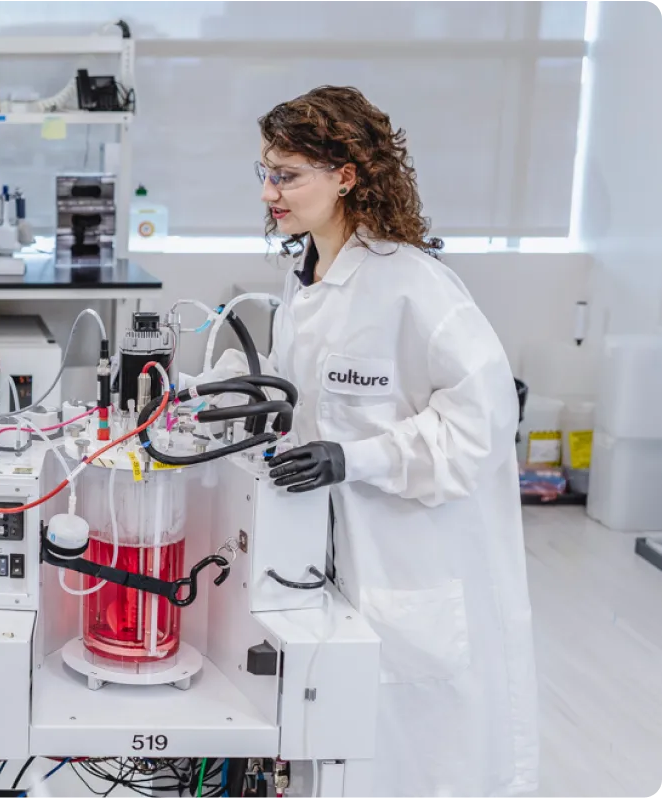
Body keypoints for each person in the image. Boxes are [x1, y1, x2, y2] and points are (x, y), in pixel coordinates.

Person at [211, 86, 538, 796]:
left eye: (287, 174)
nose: (269, 190)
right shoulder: (306, 281)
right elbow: (308, 399)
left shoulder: (414, 287)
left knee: (421, 760)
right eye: (264, 171)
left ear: (346, 175)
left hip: (410, 565)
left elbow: (479, 427)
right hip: (329, 562)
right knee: (335, 749)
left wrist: (351, 458)